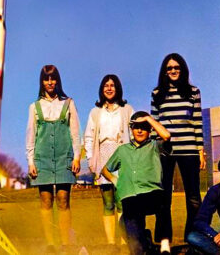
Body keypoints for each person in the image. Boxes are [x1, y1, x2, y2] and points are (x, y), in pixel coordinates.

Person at [151, 53, 205, 253]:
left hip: (189, 149)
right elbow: (154, 125)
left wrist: (201, 151)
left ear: (182, 69)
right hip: (165, 152)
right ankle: (164, 240)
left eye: (176, 67)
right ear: (164, 72)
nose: (173, 71)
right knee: (164, 196)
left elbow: (197, 122)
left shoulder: (193, 92)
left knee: (193, 197)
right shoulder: (157, 93)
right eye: (169, 68)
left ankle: (193, 240)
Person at [26, 65, 81, 252]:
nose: (50, 82)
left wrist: (76, 157)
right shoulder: (34, 107)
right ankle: (50, 244)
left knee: (64, 200)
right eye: (46, 79)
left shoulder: (68, 103)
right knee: (46, 201)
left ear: (58, 80)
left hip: (64, 157)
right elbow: (31, 135)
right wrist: (31, 161)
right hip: (43, 160)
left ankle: (65, 244)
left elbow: (75, 133)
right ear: (42, 82)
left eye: (53, 78)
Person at [102, 111, 171, 255]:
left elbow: (166, 135)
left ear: (150, 129)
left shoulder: (155, 146)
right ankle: (145, 242)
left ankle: (165, 246)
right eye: (136, 127)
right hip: (130, 196)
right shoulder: (122, 150)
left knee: (163, 202)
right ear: (131, 129)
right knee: (137, 249)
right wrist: (116, 181)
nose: (139, 130)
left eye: (144, 127)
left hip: (151, 192)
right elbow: (105, 169)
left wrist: (148, 118)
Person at [84, 74, 133, 245]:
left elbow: (134, 134)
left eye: (112, 85)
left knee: (122, 202)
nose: (109, 88)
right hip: (103, 157)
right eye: (106, 85)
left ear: (117, 88)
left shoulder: (126, 109)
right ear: (102, 89)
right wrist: (91, 160)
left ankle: (123, 241)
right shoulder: (95, 112)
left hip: (122, 156)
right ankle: (112, 244)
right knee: (108, 203)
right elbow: (89, 137)